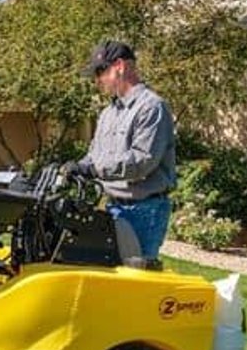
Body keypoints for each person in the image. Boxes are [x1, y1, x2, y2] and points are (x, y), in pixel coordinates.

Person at [65, 40, 176, 261]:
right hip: (113, 207)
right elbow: (94, 156)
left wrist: (95, 170)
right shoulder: (108, 113)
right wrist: (76, 168)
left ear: (119, 66)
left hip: (145, 210)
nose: (98, 80)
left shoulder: (151, 107)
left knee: (136, 281)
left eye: (100, 72)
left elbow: (143, 161)